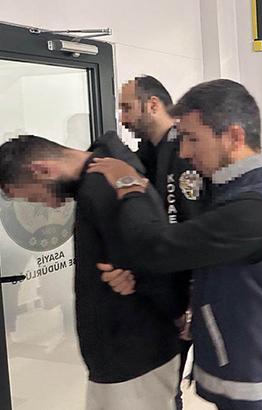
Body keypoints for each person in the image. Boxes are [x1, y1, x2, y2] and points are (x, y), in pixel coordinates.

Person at [88, 79, 262, 410]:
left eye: (192, 138)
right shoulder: (247, 188)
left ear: (234, 137)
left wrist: (130, 183)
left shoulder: (251, 210)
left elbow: (156, 248)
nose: (183, 152)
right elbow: (216, 265)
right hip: (255, 370)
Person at [0, 134, 187, 410]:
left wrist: (175, 311)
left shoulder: (106, 186)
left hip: (135, 355)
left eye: (35, 196)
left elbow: (156, 256)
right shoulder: (96, 183)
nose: (46, 205)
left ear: (41, 170)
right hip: (119, 354)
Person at [119, 75, 204, 410]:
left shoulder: (184, 152)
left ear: (152, 105)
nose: (123, 118)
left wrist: (192, 302)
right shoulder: (143, 156)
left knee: (165, 390)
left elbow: (196, 232)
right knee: (158, 390)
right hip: (153, 294)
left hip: (179, 299)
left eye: (127, 108)